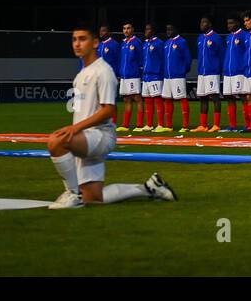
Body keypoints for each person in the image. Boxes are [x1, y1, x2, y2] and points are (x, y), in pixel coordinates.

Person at [46, 26, 175, 208]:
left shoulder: (103, 71)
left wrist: (75, 129)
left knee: (55, 142)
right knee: (93, 198)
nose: (77, 43)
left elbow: (109, 110)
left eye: (82, 39)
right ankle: (150, 187)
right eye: (74, 39)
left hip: (99, 136)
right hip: (86, 137)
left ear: (95, 43)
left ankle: (72, 194)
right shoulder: (82, 73)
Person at [191, 16, 224, 132]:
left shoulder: (216, 38)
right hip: (202, 73)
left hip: (212, 72)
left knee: (214, 97)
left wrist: (218, 70)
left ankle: (216, 124)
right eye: (201, 22)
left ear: (210, 24)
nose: (201, 24)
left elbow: (221, 55)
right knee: (203, 98)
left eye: (204, 22)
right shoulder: (200, 38)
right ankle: (203, 125)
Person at [161, 24, 191, 132]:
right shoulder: (167, 43)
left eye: (171, 29)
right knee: (167, 99)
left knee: (182, 98)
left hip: (177, 75)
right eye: (167, 29)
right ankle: (169, 126)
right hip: (167, 76)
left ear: (176, 30)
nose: (168, 31)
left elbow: (187, 59)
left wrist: (183, 70)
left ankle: (185, 126)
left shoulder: (181, 42)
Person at [221, 15, 248, 132]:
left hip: (239, 72)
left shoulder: (244, 35)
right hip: (228, 72)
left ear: (238, 23)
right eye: (228, 23)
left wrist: (244, 67)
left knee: (243, 97)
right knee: (229, 97)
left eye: (231, 23)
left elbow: (247, 53)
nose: (229, 26)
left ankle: (248, 124)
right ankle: (232, 125)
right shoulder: (228, 37)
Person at [137, 22, 163, 132]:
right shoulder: (145, 44)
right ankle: (149, 124)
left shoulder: (159, 43)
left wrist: (160, 72)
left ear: (153, 31)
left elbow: (162, 59)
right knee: (147, 100)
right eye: (145, 29)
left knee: (157, 100)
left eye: (148, 29)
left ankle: (161, 124)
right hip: (146, 76)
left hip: (155, 75)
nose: (146, 32)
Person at [117, 21, 143, 132]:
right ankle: (125, 124)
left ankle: (140, 125)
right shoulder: (122, 43)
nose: (126, 30)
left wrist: (139, 70)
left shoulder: (137, 42)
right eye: (124, 28)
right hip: (124, 76)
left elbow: (141, 58)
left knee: (137, 98)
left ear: (132, 29)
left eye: (128, 28)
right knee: (126, 99)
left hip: (133, 75)